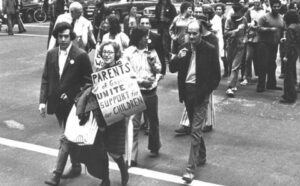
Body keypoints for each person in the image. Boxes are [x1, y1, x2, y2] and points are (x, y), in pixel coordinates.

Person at [39, 22, 93, 186]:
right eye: (60, 36)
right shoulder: (51, 54)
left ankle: (56, 175)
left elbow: (89, 81)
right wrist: (42, 101)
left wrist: (71, 95)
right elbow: (45, 78)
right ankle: (76, 166)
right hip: (56, 104)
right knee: (69, 137)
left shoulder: (80, 55)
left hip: (73, 105)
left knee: (65, 138)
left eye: (66, 36)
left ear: (71, 37)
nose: (62, 39)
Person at [169, 20, 220, 183]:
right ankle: (202, 155)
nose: (191, 36)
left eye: (194, 33)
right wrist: (178, 57)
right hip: (187, 92)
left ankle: (190, 169)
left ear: (200, 33)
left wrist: (206, 92)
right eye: (189, 33)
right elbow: (172, 68)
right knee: (193, 127)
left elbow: (216, 75)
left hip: (201, 93)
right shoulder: (183, 48)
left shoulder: (209, 49)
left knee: (196, 129)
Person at [85, 41, 129, 186]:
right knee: (101, 151)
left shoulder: (121, 70)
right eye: (104, 52)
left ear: (116, 54)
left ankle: (124, 172)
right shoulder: (99, 70)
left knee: (115, 152)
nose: (107, 55)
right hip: (101, 118)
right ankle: (106, 178)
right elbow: (93, 92)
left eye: (110, 52)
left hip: (116, 117)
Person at [123, 28, 162, 166]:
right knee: (133, 125)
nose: (148, 39)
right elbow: (125, 74)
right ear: (138, 37)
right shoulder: (128, 53)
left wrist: (154, 66)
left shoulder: (152, 51)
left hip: (151, 91)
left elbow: (159, 69)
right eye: (145, 36)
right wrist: (140, 81)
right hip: (136, 92)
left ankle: (155, 146)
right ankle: (132, 156)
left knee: (153, 121)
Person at [256, 0, 284, 92]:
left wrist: (282, 37)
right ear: (271, 7)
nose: (276, 8)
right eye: (274, 6)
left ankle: (271, 84)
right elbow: (258, 28)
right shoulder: (264, 17)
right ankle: (260, 86)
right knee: (263, 65)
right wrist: (269, 29)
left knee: (272, 64)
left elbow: (283, 29)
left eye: (277, 6)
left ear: (280, 7)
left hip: (274, 44)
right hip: (263, 44)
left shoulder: (281, 17)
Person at [224, 3, 248, 97]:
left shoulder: (244, 19)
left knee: (235, 66)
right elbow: (226, 33)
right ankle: (233, 84)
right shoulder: (229, 19)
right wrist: (237, 30)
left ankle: (229, 87)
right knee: (231, 65)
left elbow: (246, 31)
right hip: (231, 44)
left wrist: (245, 38)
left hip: (240, 45)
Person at [241, 0, 265, 86]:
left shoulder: (265, 11)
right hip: (251, 36)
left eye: (258, 1)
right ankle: (247, 77)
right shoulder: (249, 11)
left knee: (259, 58)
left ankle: (259, 76)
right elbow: (244, 22)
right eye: (255, 1)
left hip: (261, 37)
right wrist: (251, 24)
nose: (257, 3)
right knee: (248, 58)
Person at [280, 10, 300, 104]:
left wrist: (286, 56)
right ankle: (292, 94)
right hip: (296, 51)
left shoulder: (290, 28)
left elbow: (289, 44)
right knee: (292, 73)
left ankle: (289, 97)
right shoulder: (298, 26)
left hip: (291, 53)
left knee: (288, 75)